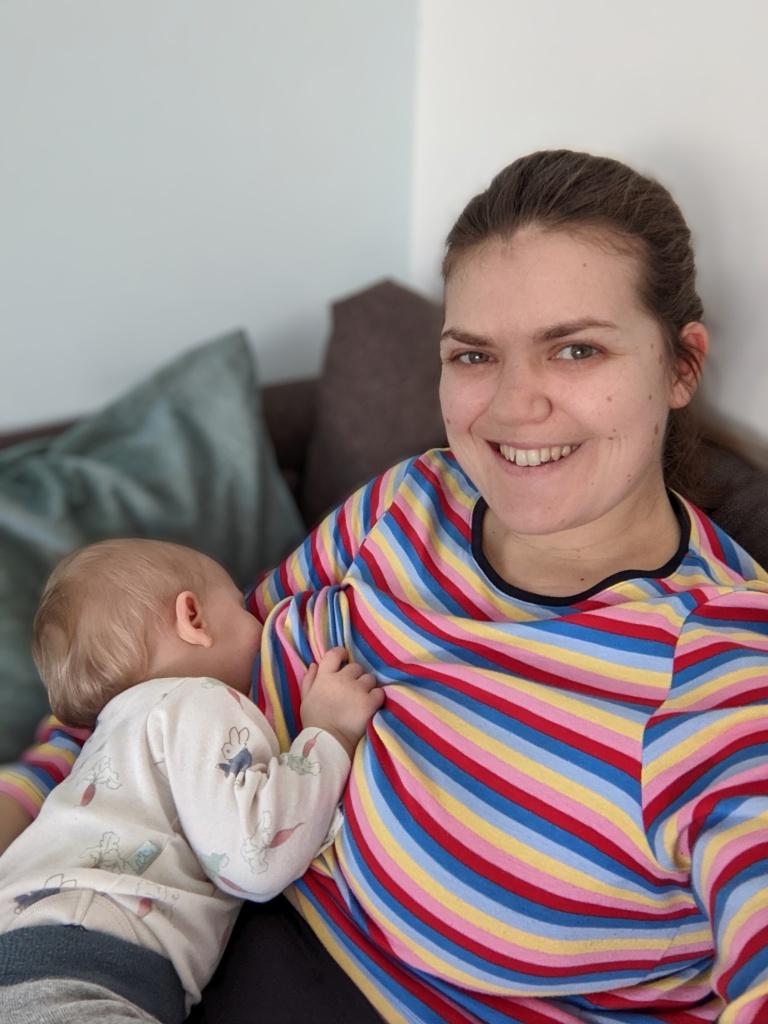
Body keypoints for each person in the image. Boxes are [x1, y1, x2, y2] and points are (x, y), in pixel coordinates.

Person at [2, 149, 767, 1023]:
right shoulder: (413, 501)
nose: (514, 407)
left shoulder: (717, 664)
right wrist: (23, 804)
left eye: (576, 349)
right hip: (106, 940)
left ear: (680, 366)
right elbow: (164, 681)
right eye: (475, 355)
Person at [0, 538, 382, 1024]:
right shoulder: (196, 702)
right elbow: (258, 855)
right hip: (82, 967)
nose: (259, 620)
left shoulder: (110, 736)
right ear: (193, 619)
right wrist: (329, 732)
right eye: (242, 608)